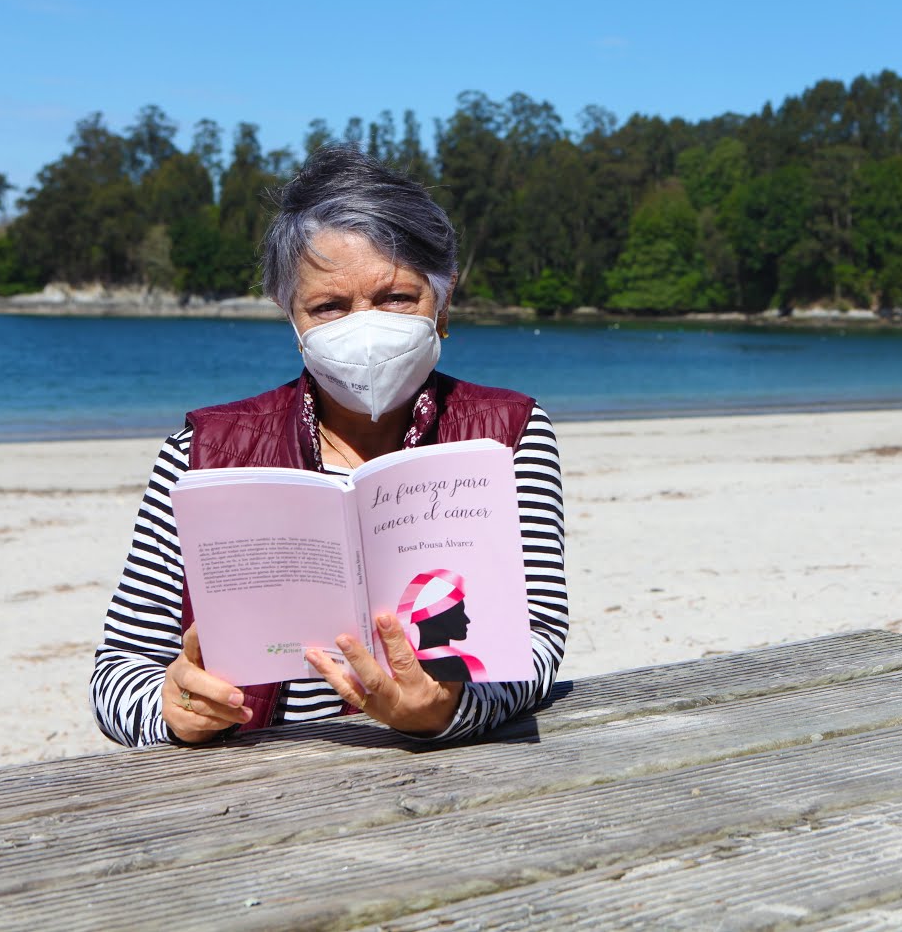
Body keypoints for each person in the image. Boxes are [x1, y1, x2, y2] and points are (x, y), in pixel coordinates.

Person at [91, 146, 568, 747]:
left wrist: (448, 708)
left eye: (396, 298)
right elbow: (117, 672)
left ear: (443, 303)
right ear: (292, 320)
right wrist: (172, 707)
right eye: (329, 307)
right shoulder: (203, 450)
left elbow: (539, 640)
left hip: (440, 780)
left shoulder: (507, 432)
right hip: (249, 796)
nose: (364, 327)